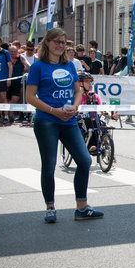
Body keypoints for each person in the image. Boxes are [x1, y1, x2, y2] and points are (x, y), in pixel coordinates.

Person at [25, 27, 104, 223]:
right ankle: (50, 207)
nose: (60, 45)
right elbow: (29, 96)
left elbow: (78, 91)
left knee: (85, 161)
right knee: (49, 165)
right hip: (47, 121)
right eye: (56, 42)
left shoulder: (69, 65)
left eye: (63, 42)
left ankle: (82, 207)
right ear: (47, 43)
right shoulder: (38, 66)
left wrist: (75, 107)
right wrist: (53, 111)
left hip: (68, 120)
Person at [7, 44, 30, 123]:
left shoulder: (20, 58)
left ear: (17, 51)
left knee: (15, 99)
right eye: (11, 51)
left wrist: (28, 71)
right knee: (7, 99)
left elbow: (28, 65)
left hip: (17, 82)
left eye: (14, 51)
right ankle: (7, 116)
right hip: (7, 81)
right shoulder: (7, 58)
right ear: (8, 51)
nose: (13, 53)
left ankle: (11, 115)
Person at [0, 36, 13, 124]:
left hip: (3, 79)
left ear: (0, 43)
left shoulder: (5, 53)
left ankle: (6, 116)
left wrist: (9, 78)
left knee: (3, 97)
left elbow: (10, 65)